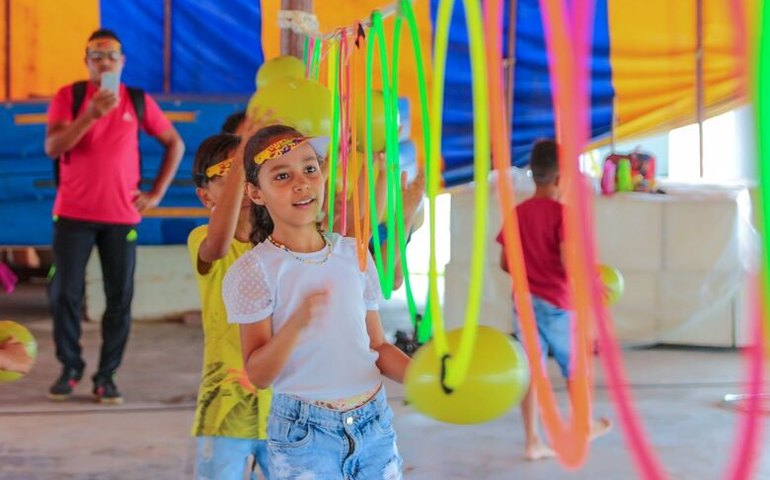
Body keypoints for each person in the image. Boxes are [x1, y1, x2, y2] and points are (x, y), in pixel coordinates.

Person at [222, 124, 410, 479]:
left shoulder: (352, 254)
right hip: (304, 433)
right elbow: (259, 374)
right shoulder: (255, 270)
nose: (302, 182)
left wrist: (423, 377)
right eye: (281, 175)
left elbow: (378, 346)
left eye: (310, 168)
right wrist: (297, 323)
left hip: (374, 425)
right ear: (255, 193)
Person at [44, 28, 185, 404]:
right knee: (64, 295)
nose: (104, 61)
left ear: (122, 62)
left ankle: (107, 376)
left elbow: (175, 142)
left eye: (111, 55)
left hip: (121, 218)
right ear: (86, 62)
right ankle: (70, 367)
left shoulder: (136, 100)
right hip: (72, 215)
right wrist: (90, 116)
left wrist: (156, 193)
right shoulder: (70, 97)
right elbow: (54, 147)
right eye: (96, 55)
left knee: (119, 299)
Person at [497, 139, 611, 460]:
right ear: (562, 179)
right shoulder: (564, 214)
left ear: (535, 174)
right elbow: (567, 260)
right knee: (576, 367)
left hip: (523, 303)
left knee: (531, 372)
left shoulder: (517, 213)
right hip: (558, 305)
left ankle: (532, 441)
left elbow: (506, 263)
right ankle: (583, 424)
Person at [188, 124, 272, 479]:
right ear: (205, 197)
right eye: (228, 171)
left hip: (286, 405)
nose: (240, 175)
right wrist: (243, 159)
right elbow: (219, 244)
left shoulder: (280, 242)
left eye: (248, 168)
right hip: (226, 405)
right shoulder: (203, 238)